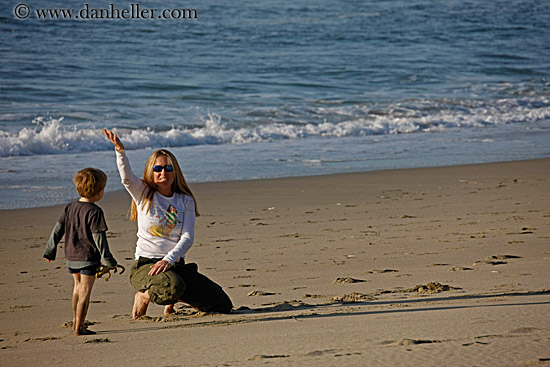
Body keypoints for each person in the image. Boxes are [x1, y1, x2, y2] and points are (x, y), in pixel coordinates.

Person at [103, 129, 233, 319]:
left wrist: (169, 260)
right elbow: (126, 178)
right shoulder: (143, 193)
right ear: (151, 171)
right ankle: (144, 296)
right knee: (173, 286)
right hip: (146, 265)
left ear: (175, 171)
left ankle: (177, 296)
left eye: (168, 168)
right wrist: (120, 151)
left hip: (175, 265)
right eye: (158, 168)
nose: (163, 172)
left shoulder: (185, 200)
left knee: (222, 304)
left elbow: (187, 237)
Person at [43, 168, 120, 336]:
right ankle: (80, 326)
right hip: (88, 257)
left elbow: (57, 230)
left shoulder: (70, 207)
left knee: (77, 288)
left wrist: (50, 251)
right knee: (85, 291)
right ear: (100, 192)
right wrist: (109, 260)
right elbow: (99, 239)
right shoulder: (95, 211)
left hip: (70, 256)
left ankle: (75, 322)